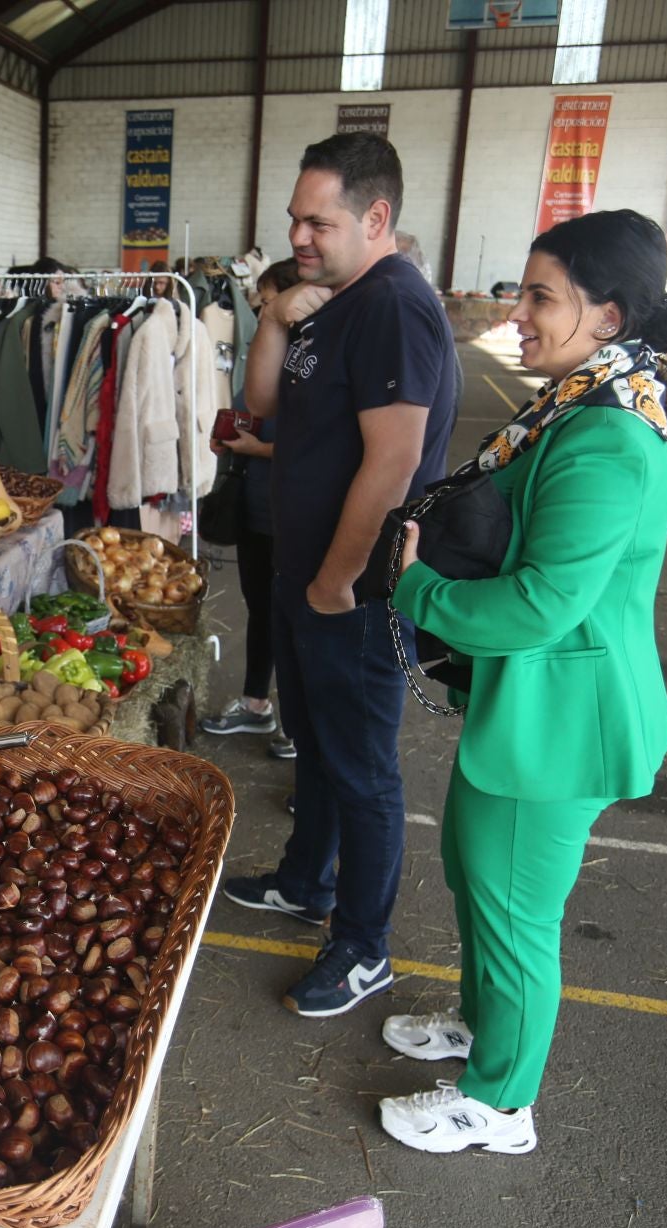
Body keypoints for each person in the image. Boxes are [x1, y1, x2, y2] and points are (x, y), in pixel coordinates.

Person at [377, 210, 667, 1154]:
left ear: (608, 313)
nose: (517, 312)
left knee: (517, 910)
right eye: (523, 292)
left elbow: (542, 605)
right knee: (478, 875)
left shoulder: (607, 434)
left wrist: (416, 588)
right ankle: (486, 1034)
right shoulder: (581, 399)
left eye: (540, 297)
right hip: (529, 707)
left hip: (565, 717)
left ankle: (500, 1103)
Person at [221, 132, 458, 1018]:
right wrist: (276, 319)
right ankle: (304, 881)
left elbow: (393, 464)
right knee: (316, 743)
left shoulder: (395, 306)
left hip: (348, 589)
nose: (300, 235)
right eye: (293, 219)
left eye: (317, 220)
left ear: (377, 215)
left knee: (361, 767)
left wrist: (340, 579)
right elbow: (269, 405)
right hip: (304, 573)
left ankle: (364, 946)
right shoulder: (329, 302)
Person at [201, 257, 304, 760]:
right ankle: (256, 703)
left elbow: (318, 447)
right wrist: (231, 437)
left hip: (289, 509)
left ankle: (297, 723)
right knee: (262, 609)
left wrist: (253, 449)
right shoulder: (273, 351)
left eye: (266, 303)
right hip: (257, 505)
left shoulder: (313, 361)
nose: (259, 311)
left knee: (292, 616)